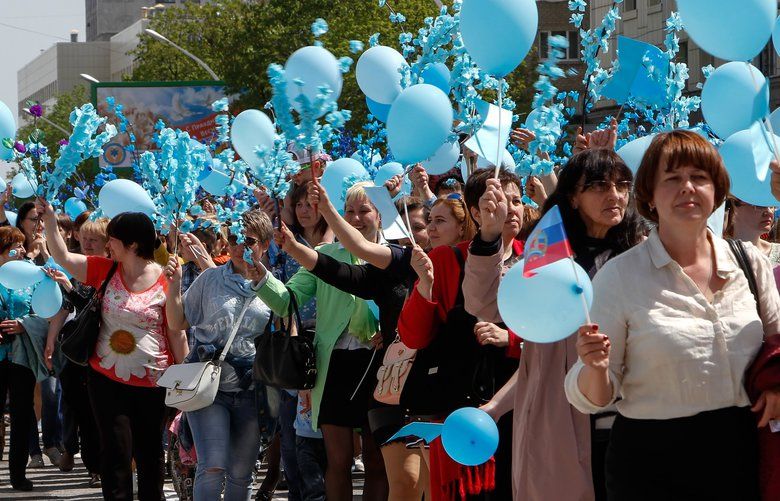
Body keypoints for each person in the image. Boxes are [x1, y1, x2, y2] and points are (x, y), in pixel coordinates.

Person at [565, 130, 780, 500]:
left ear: (718, 190)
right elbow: (594, 395)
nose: (687, 188)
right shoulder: (619, 276)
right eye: (672, 178)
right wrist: (596, 368)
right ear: (648, 194)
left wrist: (775, 386)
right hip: (651, 465)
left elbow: (776, 347)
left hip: (740, 454)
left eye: (699, 177)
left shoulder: (750, 262)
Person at [472, 147, 643, 500]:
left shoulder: (642, 255)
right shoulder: (549, 257)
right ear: (573, 198)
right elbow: (486, 305)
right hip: (561, 424)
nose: (614, 195)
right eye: (599, 186)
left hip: (634, 422)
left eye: (622, 185)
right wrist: (489, 234)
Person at [38, 200, 188, 501]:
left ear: (132, 244)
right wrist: (52, 221)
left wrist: (185, 379)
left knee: (149, 454)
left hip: (153, 382)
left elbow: (175, 328)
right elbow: (63, 257)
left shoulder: (165, 277)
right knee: (116, 451)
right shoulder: (105, 270)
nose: (108, 244)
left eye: (114, 239)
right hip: (105, 379)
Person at [395, 167, 526, 501]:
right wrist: (424, 288)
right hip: (464, 409)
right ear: (474, 212)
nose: (509, 208)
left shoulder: (539, 260)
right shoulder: (449, 258)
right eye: (496, 200)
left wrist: (510, 340)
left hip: (526, 402)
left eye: (516, 200)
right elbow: (413, 337)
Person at [251, 181, 387, 501]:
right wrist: (258, 275)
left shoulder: (394, 254)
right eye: (349, 211)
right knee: (336, 461)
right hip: (334, 366)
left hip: (378, 365)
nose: (355, 218)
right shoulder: (325, 255)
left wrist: (393, 331)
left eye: (364, 210)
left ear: (380, 215)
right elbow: (287, 301)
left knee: (376, 462)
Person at [165, 210, 277, 501]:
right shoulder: (209, 279)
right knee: (212, 465)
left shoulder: (274, 288)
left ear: (265, 244)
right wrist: (173, 285)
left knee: (241, 472)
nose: (241, 247)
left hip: (253, 389)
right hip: (208, 388)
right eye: (235, 239)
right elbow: (178, 323)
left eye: (249, 240)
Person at [44, 217, 109, 485]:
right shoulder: (76, 270)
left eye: (94, 239)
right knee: (77, 408)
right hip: (75, 352)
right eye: (84, 239)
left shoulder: (113, 273)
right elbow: (65, 309)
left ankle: (99, 467)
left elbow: (93, 307)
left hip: (105, 353)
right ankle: (79, 454)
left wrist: (70, 288)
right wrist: (50, 341)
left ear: (109, 244)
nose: (87, 244)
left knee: (97, 414)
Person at [0, 226, 49, 491]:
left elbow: (43, 313)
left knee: (21, 415)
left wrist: (22, 324)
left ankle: (18, 474)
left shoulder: (32, 279)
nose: (19, 250)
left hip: (21, 356)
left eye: (21, 244)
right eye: (13, 245)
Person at [725, 197, 780, 265]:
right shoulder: (717, 251)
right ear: (734, 205)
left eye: (772, 206)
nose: (770, 212)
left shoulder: (778, 253)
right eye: (759, 205)